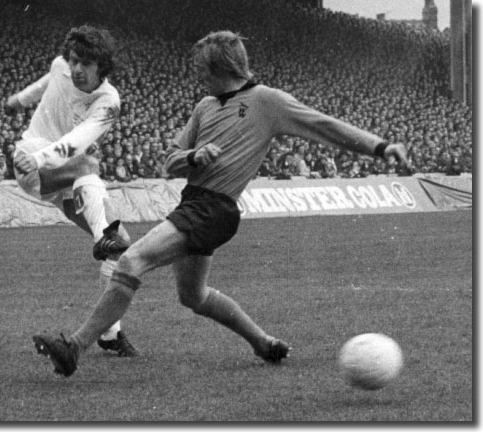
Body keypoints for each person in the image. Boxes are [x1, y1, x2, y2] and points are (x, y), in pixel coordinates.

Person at [32, 30, 410, 377]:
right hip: (193, 203)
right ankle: (263, 343)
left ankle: (74, 348)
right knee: (193, 296)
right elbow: (168, 160)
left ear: (220, 67)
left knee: (131, 261)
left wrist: (381, 147)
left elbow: (326, 127)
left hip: (215, 207)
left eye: (200, 68)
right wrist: (194, 156)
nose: (197, 76)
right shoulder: (204, 107)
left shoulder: (268, 102)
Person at [5, 25, 137, 356]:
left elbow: (74, 143)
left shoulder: (108, 102)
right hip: (34, 164)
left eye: (86, 64)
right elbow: (48, 80)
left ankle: (110, 333)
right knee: (89, 167)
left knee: (122, 247)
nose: (77, 69)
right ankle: (101, 240)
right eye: (74, 60)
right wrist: (19, 101)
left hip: (55, 170)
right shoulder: (60, 67)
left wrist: (37, 159)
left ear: (101, 67)